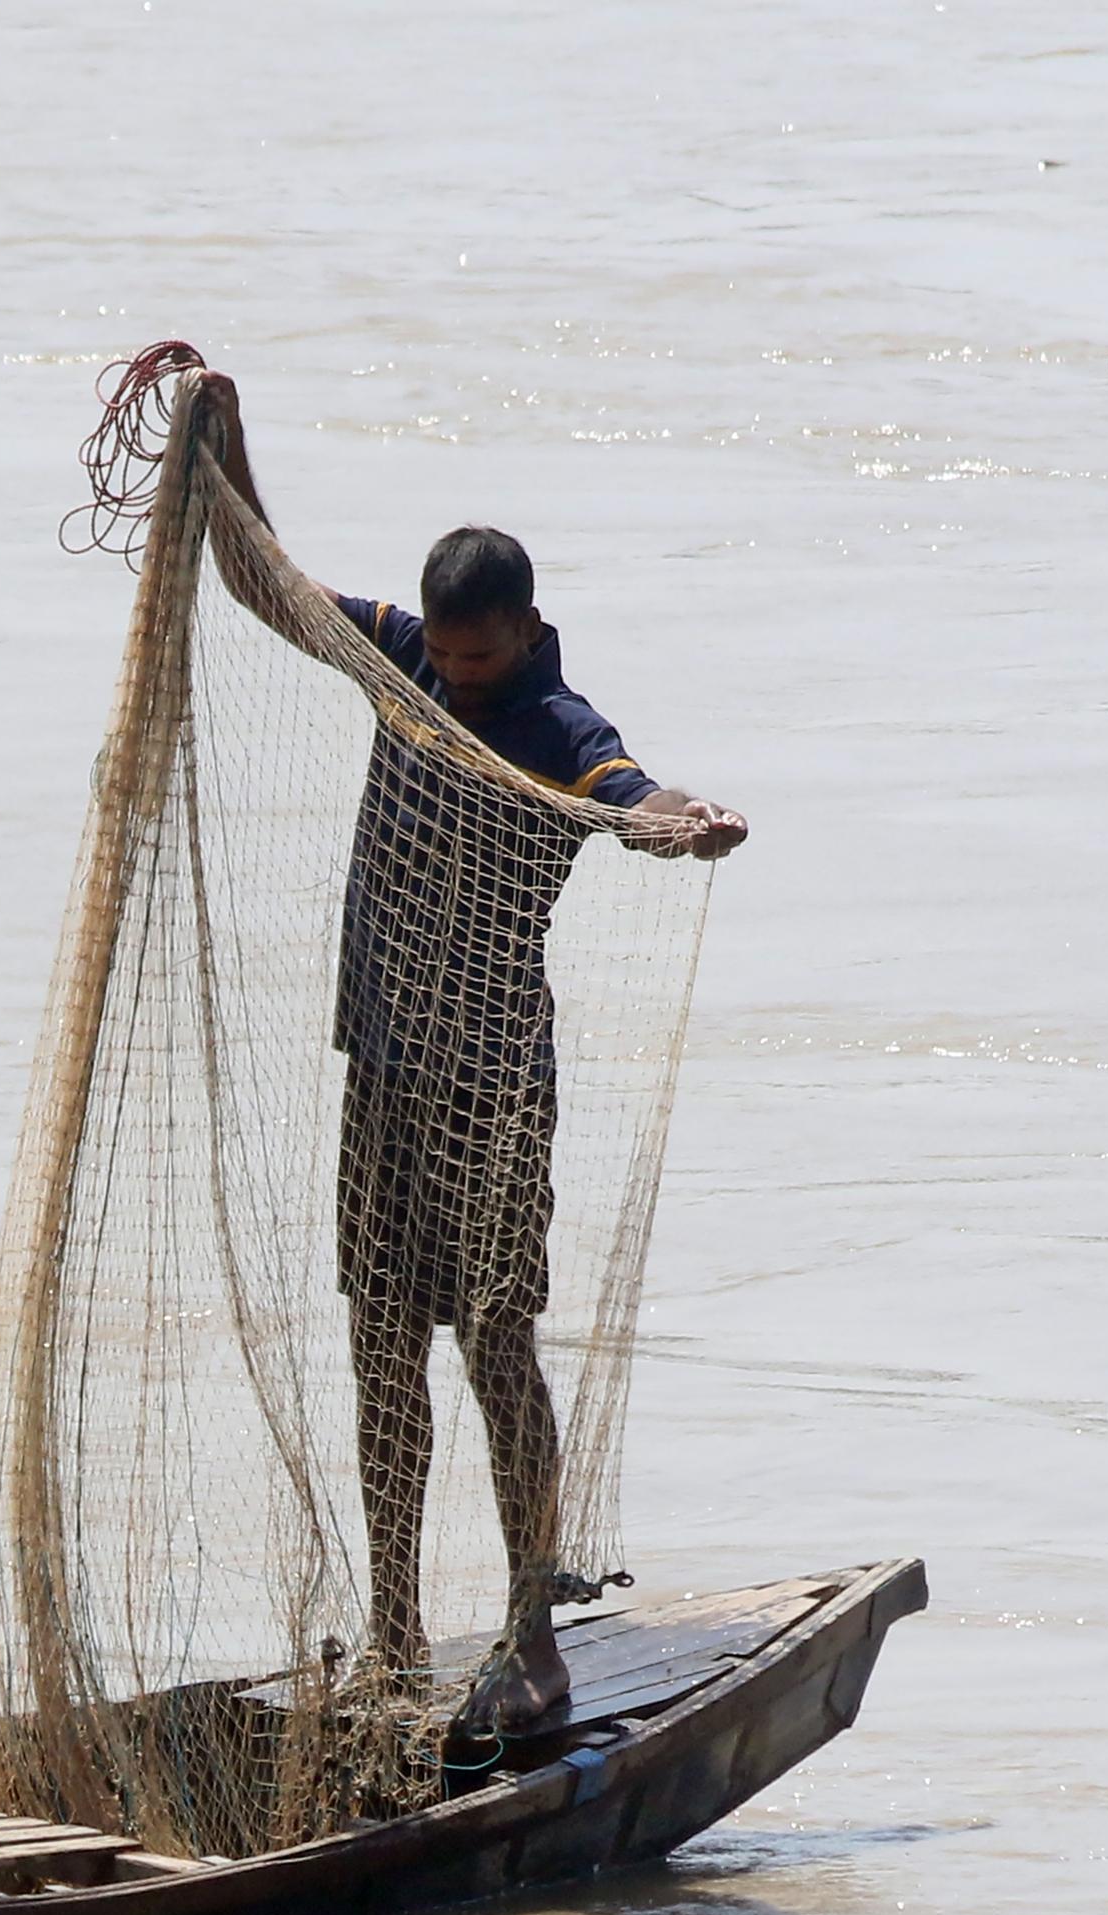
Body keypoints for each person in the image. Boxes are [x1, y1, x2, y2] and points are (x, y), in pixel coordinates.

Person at [322, 525, 744, 1735]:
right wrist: (219, 446)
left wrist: (686, 821)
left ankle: (534, 1639)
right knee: (382, 1352)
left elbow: (631, 796)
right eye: (444, 652)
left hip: (492, 1087)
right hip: (383, 1070)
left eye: (478, 653)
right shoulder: (397, 655)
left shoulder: (559, 725)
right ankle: (393, 1635)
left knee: (498, 1352)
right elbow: (271, 583)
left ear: (526, 629)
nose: (456, 674)